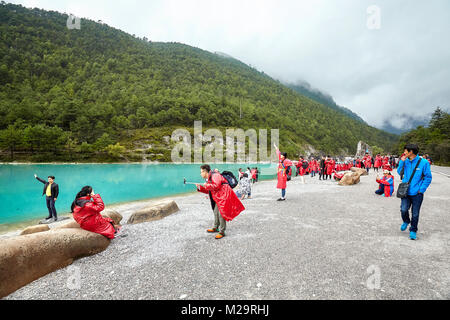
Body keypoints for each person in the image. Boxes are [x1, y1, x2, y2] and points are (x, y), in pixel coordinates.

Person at [196, 164, 245, 239]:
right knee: (216, 212)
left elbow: (216, 186)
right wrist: (200, 187)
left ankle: (222, 231)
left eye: (201, 172)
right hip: (218, 197)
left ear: (205, 172)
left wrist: (207, 185)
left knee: (221, 213)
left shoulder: (215, 175)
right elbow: (209, 190)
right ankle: (216, 227)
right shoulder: (209, 178)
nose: (200, 174)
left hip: (224, 195)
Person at [397, 144, 432, 240]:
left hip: (417, 193)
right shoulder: (405, 161)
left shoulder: (424, 162)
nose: (404, 153)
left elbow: (428, 177)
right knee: (403, 209)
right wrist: (401, 162)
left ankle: (413, 230)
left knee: (415, 213)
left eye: (405, 151)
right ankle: (406, 221)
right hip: (405, 191)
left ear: (411, 152)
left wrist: (422, 189)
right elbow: (399, 172)